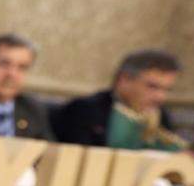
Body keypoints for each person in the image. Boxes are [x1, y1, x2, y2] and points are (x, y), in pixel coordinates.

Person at [55, 48, 185, 150]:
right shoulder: (84, 110)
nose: (160, 97)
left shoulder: (162, 116)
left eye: (167, 90)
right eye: (152, 87)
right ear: (124, 80)